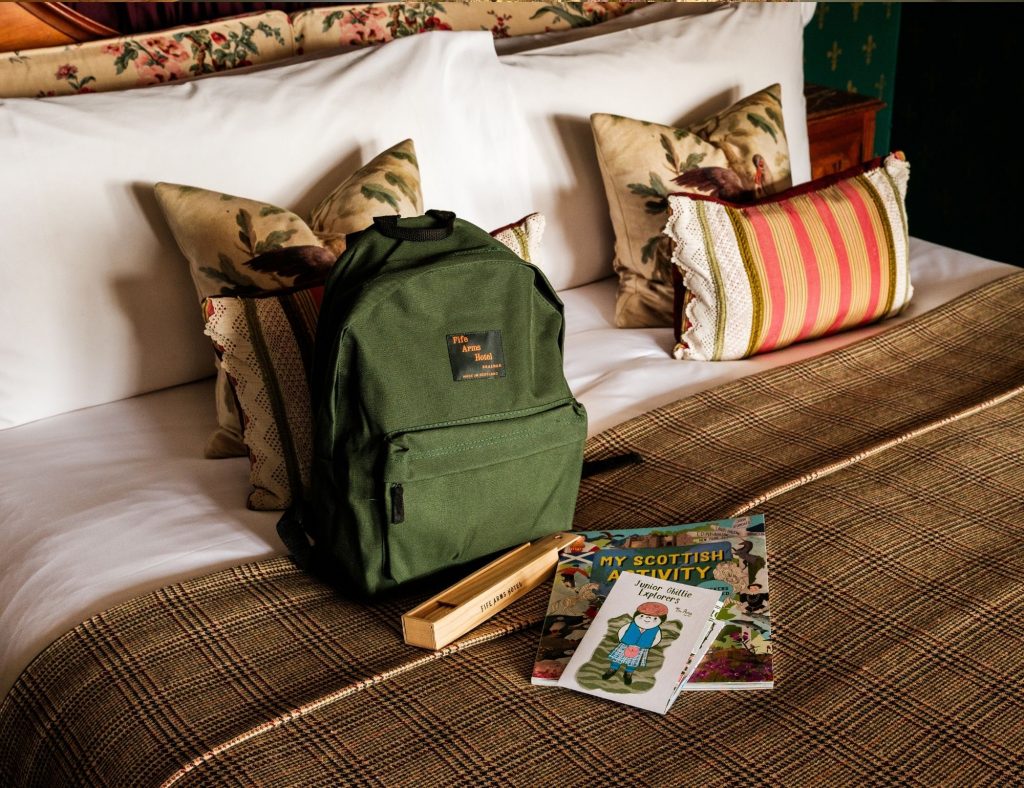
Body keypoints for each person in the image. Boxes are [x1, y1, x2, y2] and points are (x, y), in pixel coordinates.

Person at [602, 601, 669, 686]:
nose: (647, 619)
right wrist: (621, 640)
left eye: (654, 618)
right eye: (642, 616)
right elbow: (622, 631)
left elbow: (657, 639)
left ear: (660, 620)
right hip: (625, 644)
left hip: (641, 648)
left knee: (633, 662)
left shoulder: (656, 629)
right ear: (636, 616)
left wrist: (648, 645)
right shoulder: (631, 624)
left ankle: (628, 673)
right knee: (617, 658)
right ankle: (612, 669)